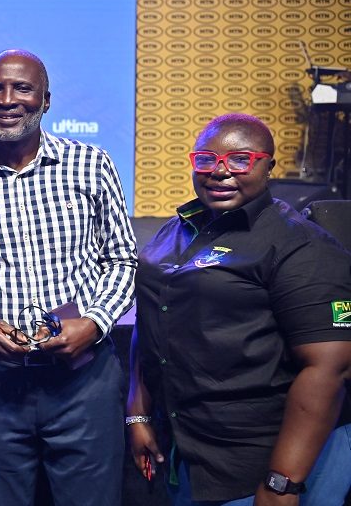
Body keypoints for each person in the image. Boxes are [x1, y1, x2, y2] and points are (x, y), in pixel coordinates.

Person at [0, 49, 137, 506]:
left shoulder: (91, 164)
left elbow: (122, 260)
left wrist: (96, 322)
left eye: (22, 88)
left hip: (83, 381)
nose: (7, 99)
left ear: (45, 100)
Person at [126, 113, 351, 505]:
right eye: (206, 160)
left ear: (268, 166)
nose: (220, 172)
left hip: (268, 461)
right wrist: (138, 412)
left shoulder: (300, 246)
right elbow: (151, 321)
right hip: (192, 451)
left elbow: (331, 368)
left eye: (240, 160)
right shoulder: (178, 228)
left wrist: (283, 481)